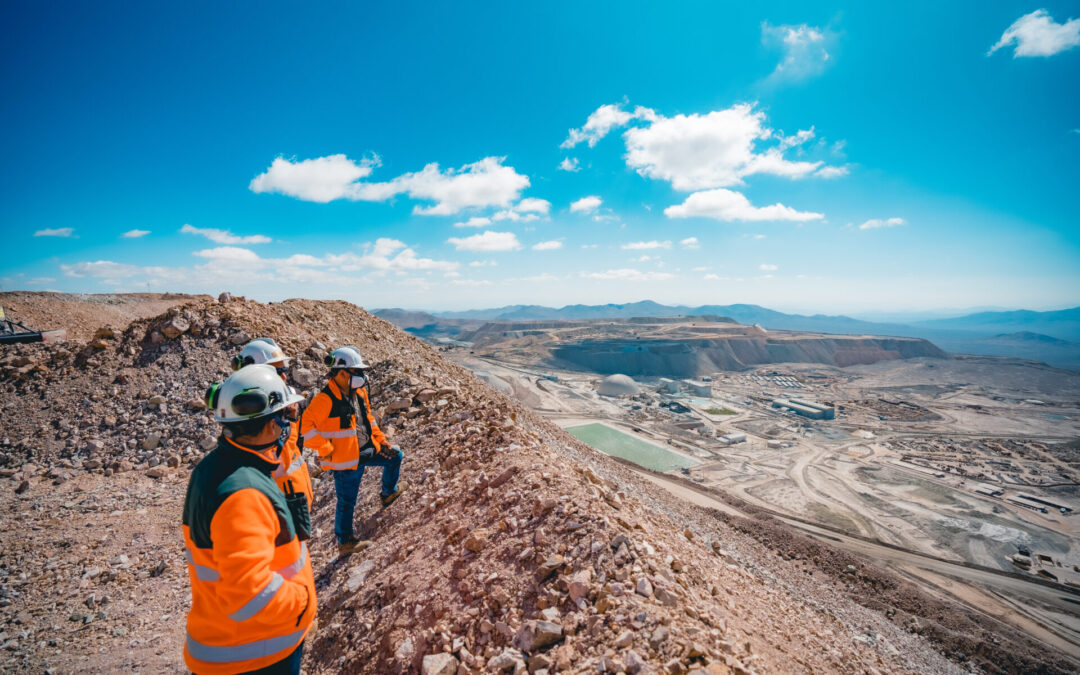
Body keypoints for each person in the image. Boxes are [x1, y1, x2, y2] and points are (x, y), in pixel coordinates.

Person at [182, 365, 316, 675]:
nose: (287, 425)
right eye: (283, 417)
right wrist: (302, 602)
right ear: (270, 426)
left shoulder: (217, 467)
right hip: (254, 655)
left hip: (234, 646)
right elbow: (249, 594)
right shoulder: (244, 493)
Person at [301, 346, 405, 555]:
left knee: (396, 456)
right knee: (347, 501)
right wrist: (326, 448)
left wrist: (381, 441)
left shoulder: (359, 393)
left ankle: (388, 493)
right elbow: (305, 428)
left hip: (367, 450)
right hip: (345, 460)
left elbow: (368, 420)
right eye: (356, 372)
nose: (361, 376)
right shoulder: (325, 399)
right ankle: (345, 540)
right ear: (341, 373)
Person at [232, 338, 313, 507]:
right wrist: (288, 420)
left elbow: (294, 450)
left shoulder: (282, 406)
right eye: (278, 371)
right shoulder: (247, 418)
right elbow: (274, 457)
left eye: (284, 370)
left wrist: (292, 418)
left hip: (295, 504)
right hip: (277, 511)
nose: (284, 376)